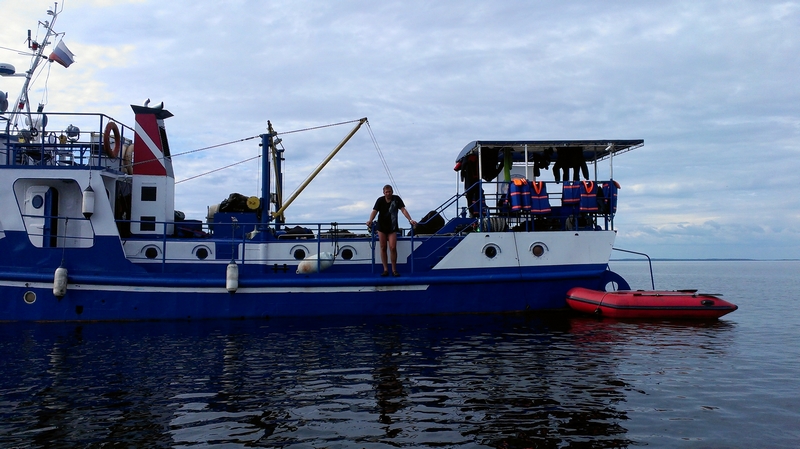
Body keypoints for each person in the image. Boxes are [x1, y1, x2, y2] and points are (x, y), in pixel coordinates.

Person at [367, 185, 416, 277]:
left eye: (389, 191)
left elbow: (403, 210)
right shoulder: (380, 200)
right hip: (381, 227)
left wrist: (410, 220)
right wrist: (370, 220)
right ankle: (385, 269)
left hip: (392, 227)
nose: (388, 193)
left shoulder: (396, 199)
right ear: (384, 193)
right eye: (386, 192)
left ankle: (394, 270)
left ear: (392, 192)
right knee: (383, 247)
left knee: (393, 247)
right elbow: (375, 211)